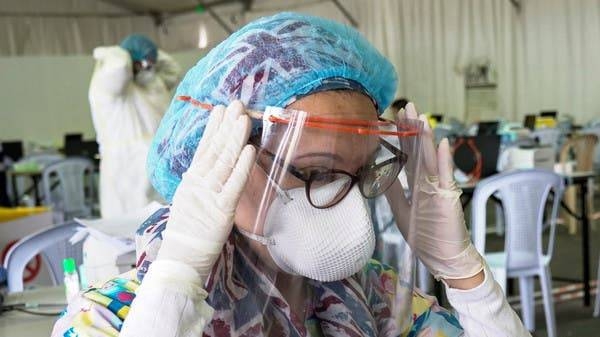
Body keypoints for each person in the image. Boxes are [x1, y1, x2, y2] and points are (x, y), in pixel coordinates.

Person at [54, 13, 530, 337]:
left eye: (360, 174)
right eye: (317, 172)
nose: (346, 204)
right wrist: (175, 282)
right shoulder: (110, 317)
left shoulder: (374, 299)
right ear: (218, 154)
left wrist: (466, 276)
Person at [89, 34, 181, 218]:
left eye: (148, 64)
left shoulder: (152, 82)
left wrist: (148, 53)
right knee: (129, 234)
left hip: (160, 169)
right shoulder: (108, 85)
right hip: (126, 173)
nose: (144, 68)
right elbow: (119, 68)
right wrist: (120, 51)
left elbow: (174, 70)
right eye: (140, 63)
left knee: (163, 231)